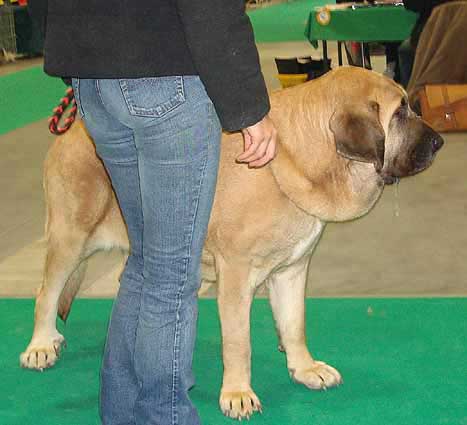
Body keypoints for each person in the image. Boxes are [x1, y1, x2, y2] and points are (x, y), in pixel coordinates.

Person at [28, 1, 277, 424]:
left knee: (148, 263)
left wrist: (73, 54)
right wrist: (248, 106)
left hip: (95, 83)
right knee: (171, 275)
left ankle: (122, 415)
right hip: (167, 78)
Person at [399, 0, 455, 87]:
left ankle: (412, 95)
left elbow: (412, 5)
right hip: (431, 31)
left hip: (431, 32)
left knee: (406, 50)